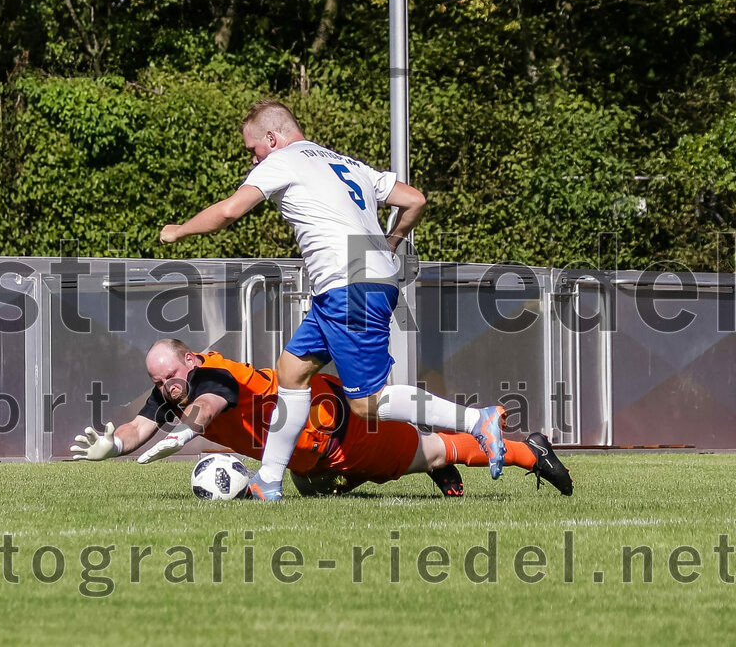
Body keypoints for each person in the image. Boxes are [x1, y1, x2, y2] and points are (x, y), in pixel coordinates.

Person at [159, 100, 507, 500]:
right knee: (291, 372)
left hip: (349, 286)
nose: (251, 159)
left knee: (366, 404)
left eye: (252, 150)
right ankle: (268, 481)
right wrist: (388, 245)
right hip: (351, 284)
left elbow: (228, 212)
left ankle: (478, 419)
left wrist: (179, 231)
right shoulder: (346, 163)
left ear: (272, 139)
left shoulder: (282, 160)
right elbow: (415, 199)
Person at [69, 339, 574, 497]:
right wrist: (112, 445)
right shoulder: (172, 393)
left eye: (170, 375)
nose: (165, 387)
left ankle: (532, 451)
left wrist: (182, 434)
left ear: (192, 361)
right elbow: (140, 426)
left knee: (431, 452)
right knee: (312, 490)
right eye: (158, 381)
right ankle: (432, 446)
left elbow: (207, 408)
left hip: (334, 427)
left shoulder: (211, 378)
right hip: (305, 452)